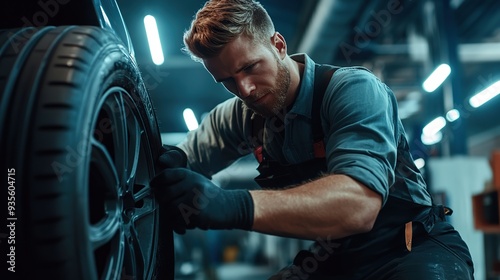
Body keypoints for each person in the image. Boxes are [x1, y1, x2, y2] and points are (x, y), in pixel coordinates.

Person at [150, 0, 475, 278]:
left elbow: (358, 207)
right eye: (227, 80)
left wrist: (232, 205)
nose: (245, 89)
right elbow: (178, 160)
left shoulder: (353, 91)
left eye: (250, 67)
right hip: (338, 257)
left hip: (410, 248)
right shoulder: (242, 116)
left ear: (278, 45)